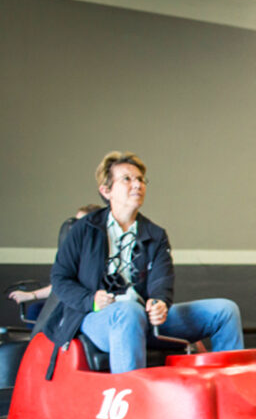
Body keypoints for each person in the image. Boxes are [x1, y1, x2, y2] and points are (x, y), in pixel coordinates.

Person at [42, 151, 243, 375]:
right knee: (128, 312)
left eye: (140, 179)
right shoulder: (83, 229)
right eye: (127, 179)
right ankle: (131, 402)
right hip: (96, 318)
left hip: (143, 317)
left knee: (225, 310)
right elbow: (60, 278)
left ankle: (230, 394)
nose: (137, 184)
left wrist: (159, 303)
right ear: (106, 190)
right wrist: (91, 301)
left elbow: (162, 280)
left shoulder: (155, 234)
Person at [7, 205, 104, 319]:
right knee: (35, 310)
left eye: (80, 222)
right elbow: (60, 285)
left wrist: (31, 295)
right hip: (70, 301)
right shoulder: (71, 250)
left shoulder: (94, 255)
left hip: (85, 304)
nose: (75, 227)